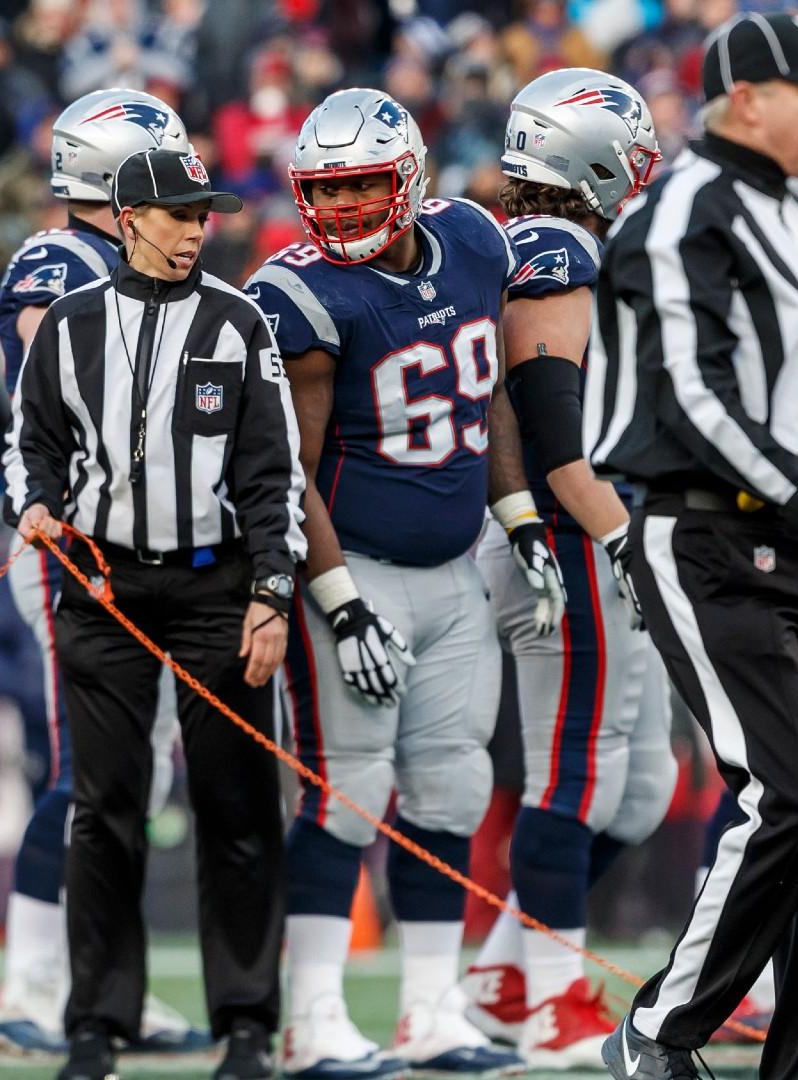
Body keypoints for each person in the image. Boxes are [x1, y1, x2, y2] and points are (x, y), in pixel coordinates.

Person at [586, 14, 798, 1078]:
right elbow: (691, 393)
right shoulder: (682, 213)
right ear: (746, 97)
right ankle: (660, 1032)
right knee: (790, 796)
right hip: (708, 531)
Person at [242, 88, 548, 1078]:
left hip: (456, 568)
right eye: (326, 191)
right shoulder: (302, 295)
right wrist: (335, 600)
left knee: (451, 790)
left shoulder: (474, 241)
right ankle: (314, 1016)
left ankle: (430, 1011)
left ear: (408, 176)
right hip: (357, 572)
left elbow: (489, 394)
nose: (341, 209)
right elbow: (289, 465)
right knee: (344, 794)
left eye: (363, 185)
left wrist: (520, 518)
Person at [9, 147, 303, 1080]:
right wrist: (36, 503)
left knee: (237, 804)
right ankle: (95, 1022)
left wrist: (271, 592)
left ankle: (247, 1022)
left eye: (201, 215)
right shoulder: (67, 322)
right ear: (127, 218)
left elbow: (271, 471)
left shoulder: (238, 320)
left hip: (218, 588)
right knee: (105, 806)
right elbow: (33, 442)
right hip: (101, 586)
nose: (193, 230)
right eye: (176, 214)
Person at [456, 69, 678, 1071]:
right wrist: (620, 533)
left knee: (640, 784)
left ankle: (507, 968)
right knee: (574, 774)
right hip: (562, 528)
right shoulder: (554, 248)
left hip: (577, 523)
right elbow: (552, 427)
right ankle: (554, 1004)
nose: (642, 164)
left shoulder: (565, 244)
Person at [0, 87, 207, 1057]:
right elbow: (68, 391)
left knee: (136, 774)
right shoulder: (56, 260)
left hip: (144, 541)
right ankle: (28, 985)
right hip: (71, 537)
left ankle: (104, 978)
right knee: (91, 772)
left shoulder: (135, 266)